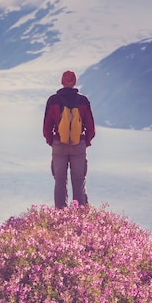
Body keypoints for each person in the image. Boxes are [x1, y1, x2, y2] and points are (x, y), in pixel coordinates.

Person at [43, 70, 95, 208]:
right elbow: (90, 127)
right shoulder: (83, 101)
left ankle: (60, 214)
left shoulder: (53, 100)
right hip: (78, 145)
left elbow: (46, 127)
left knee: (60, 181)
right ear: (75, 82)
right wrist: (85, 142)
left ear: (62, 81)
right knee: (78, 181)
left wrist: (53, 141)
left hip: (59, 145)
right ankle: (80, 215)